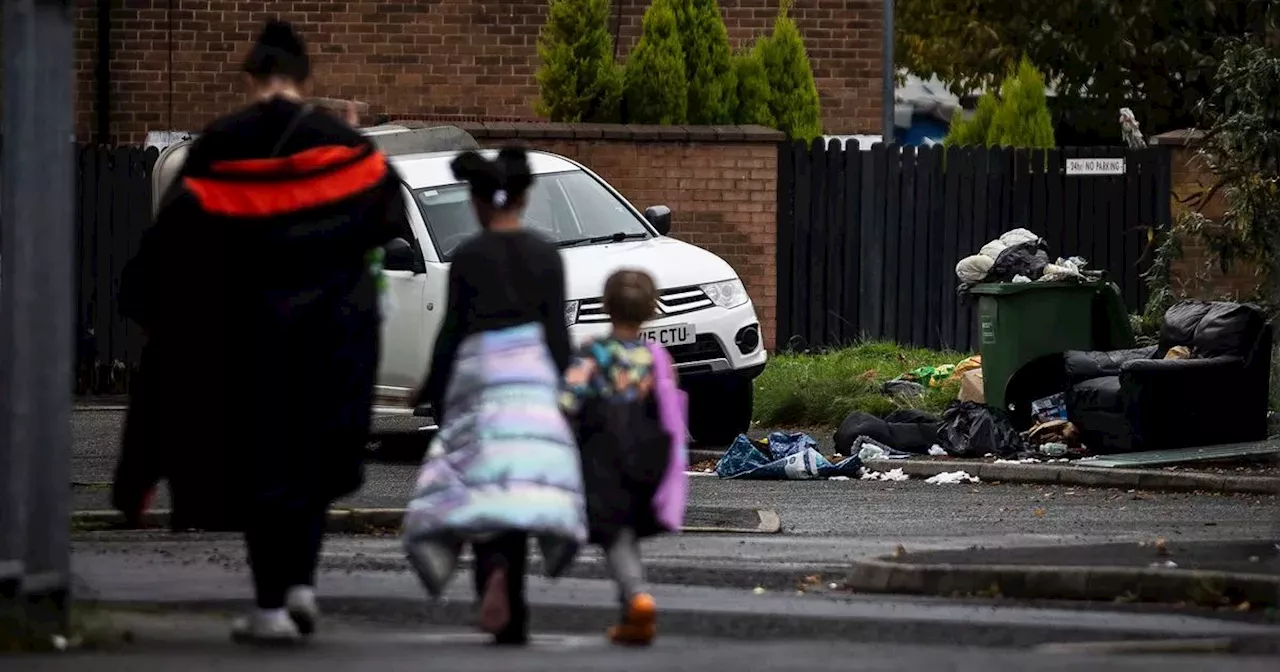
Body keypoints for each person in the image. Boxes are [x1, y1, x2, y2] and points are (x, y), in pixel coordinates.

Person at [112, 19, 407, 644]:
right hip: (331, 338)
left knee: (262, 464)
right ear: (305, 77)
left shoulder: (222, 144)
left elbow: (176, 244)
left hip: (249, 337)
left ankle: (270, 604)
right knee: (310, 464)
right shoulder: (346, 148)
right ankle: (299, 584)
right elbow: (387, 222)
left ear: (251, 77)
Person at [402, 147, 585, 646]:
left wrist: (434, 391)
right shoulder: (546, 256)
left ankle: (491, 572)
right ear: (524, 197)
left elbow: (451, 333)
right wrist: (566, 396)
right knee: (522, 490)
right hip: (530, 386)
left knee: (482, 491)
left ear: (478, 202)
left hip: (479, 386)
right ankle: (515, 591)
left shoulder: (468, 257)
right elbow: (557, 336)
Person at [561, 269, 689, 646]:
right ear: (651, 309)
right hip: (647, 454)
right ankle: (630, 615)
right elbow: (670, 405)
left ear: (606, 306)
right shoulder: (657, 357)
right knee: (625, 531)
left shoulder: (594, 353)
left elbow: (567, 401)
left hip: (603, 455)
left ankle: (637, 597)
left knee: (613, 531)